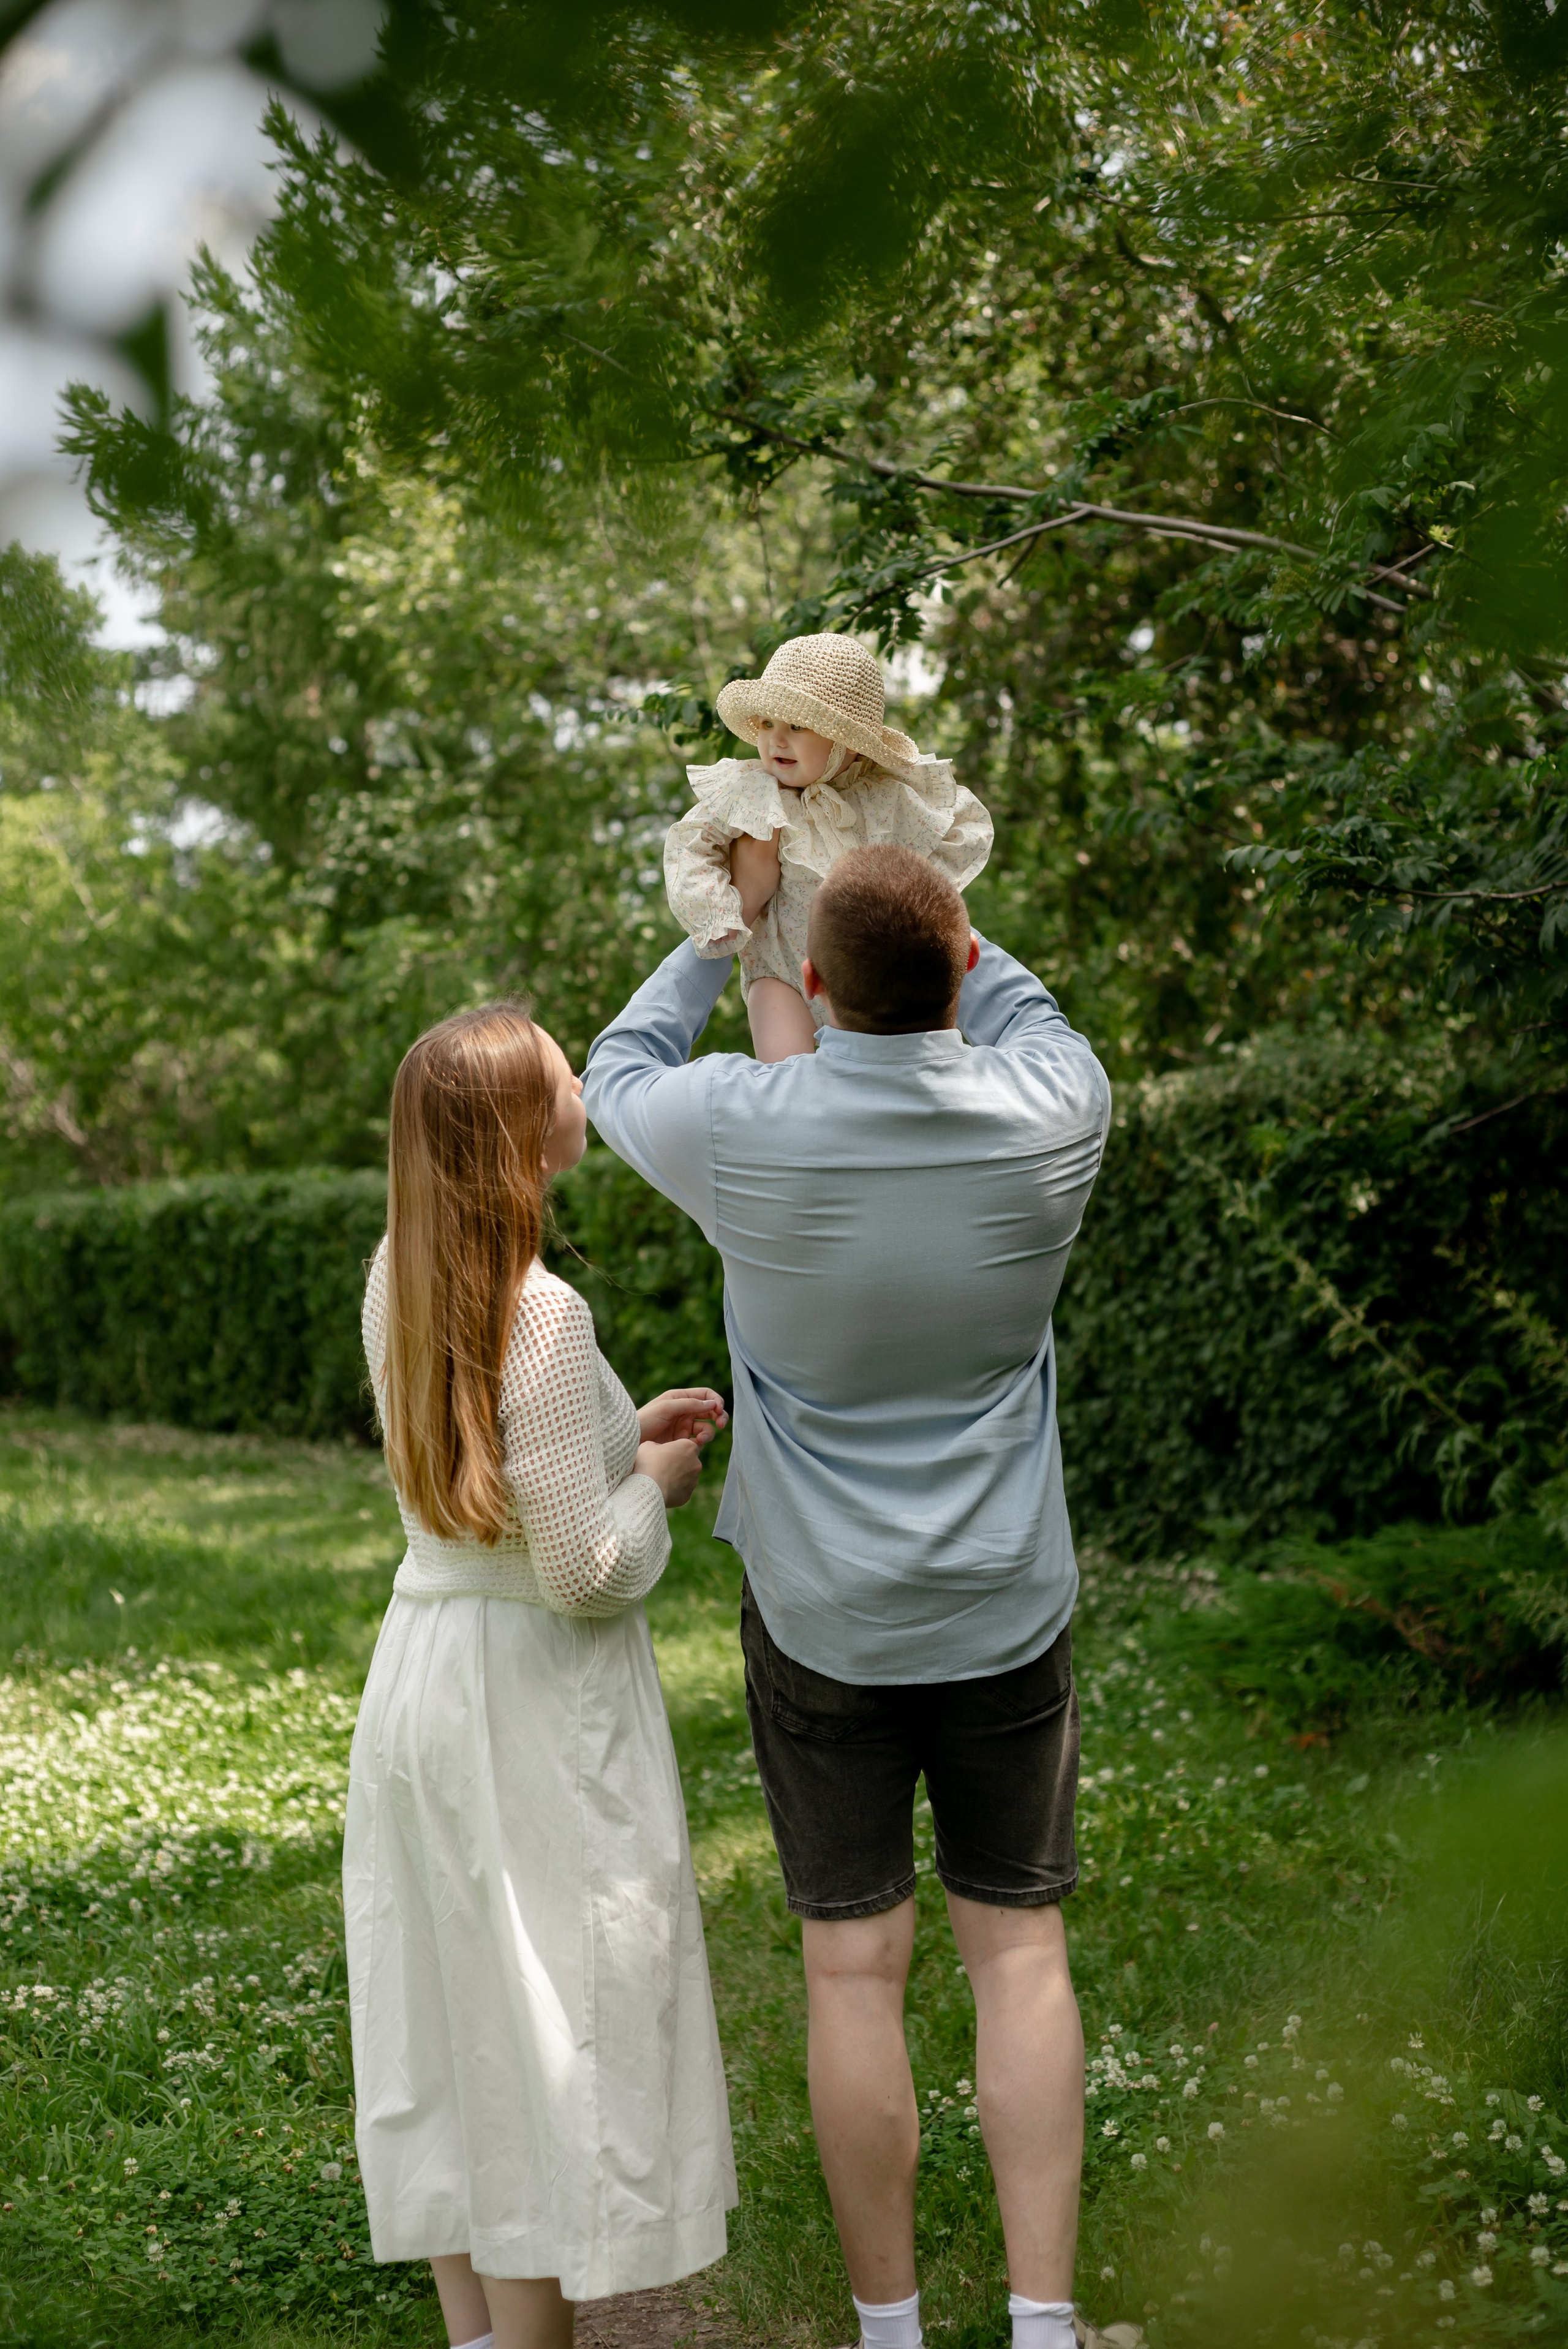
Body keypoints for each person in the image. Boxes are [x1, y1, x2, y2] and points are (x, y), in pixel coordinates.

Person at [583, 845, 1123, 2349]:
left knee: (850, 1960)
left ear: (810, 989)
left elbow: (614, 1067)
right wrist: (914, 877)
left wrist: (725, 923)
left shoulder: (742, 1122)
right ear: (957, 967)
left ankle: (887, 2329)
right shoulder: (1052, 1106)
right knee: (1016, 1948)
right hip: (1004, 1601)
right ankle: (1039, 2319)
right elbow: (1022, 1003)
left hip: (821, 1613)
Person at [344, 1003, 737, 2349]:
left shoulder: (400, 1267)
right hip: (522, 1694)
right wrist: (661, 1484)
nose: (583, 1085)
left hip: (424, 1676)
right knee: (537, 2018)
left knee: (457, 2017)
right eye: (568, 1074)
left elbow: (492, 1479)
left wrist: (616, 1436)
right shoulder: (546, 1311)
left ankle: (475, 2334)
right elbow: (579, 1567)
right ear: (525, 1128)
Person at [663, 632, 992, 1062]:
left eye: (797, 726)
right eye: (767, 724)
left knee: (896, 1071)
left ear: (846, 739)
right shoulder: (750, 789)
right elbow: (691, 847)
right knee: (787, 1080)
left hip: (876, 972)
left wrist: (926, 906)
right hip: (780, 970)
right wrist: (719, 910)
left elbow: (961, 826)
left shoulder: (883, 795)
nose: (776, 740)